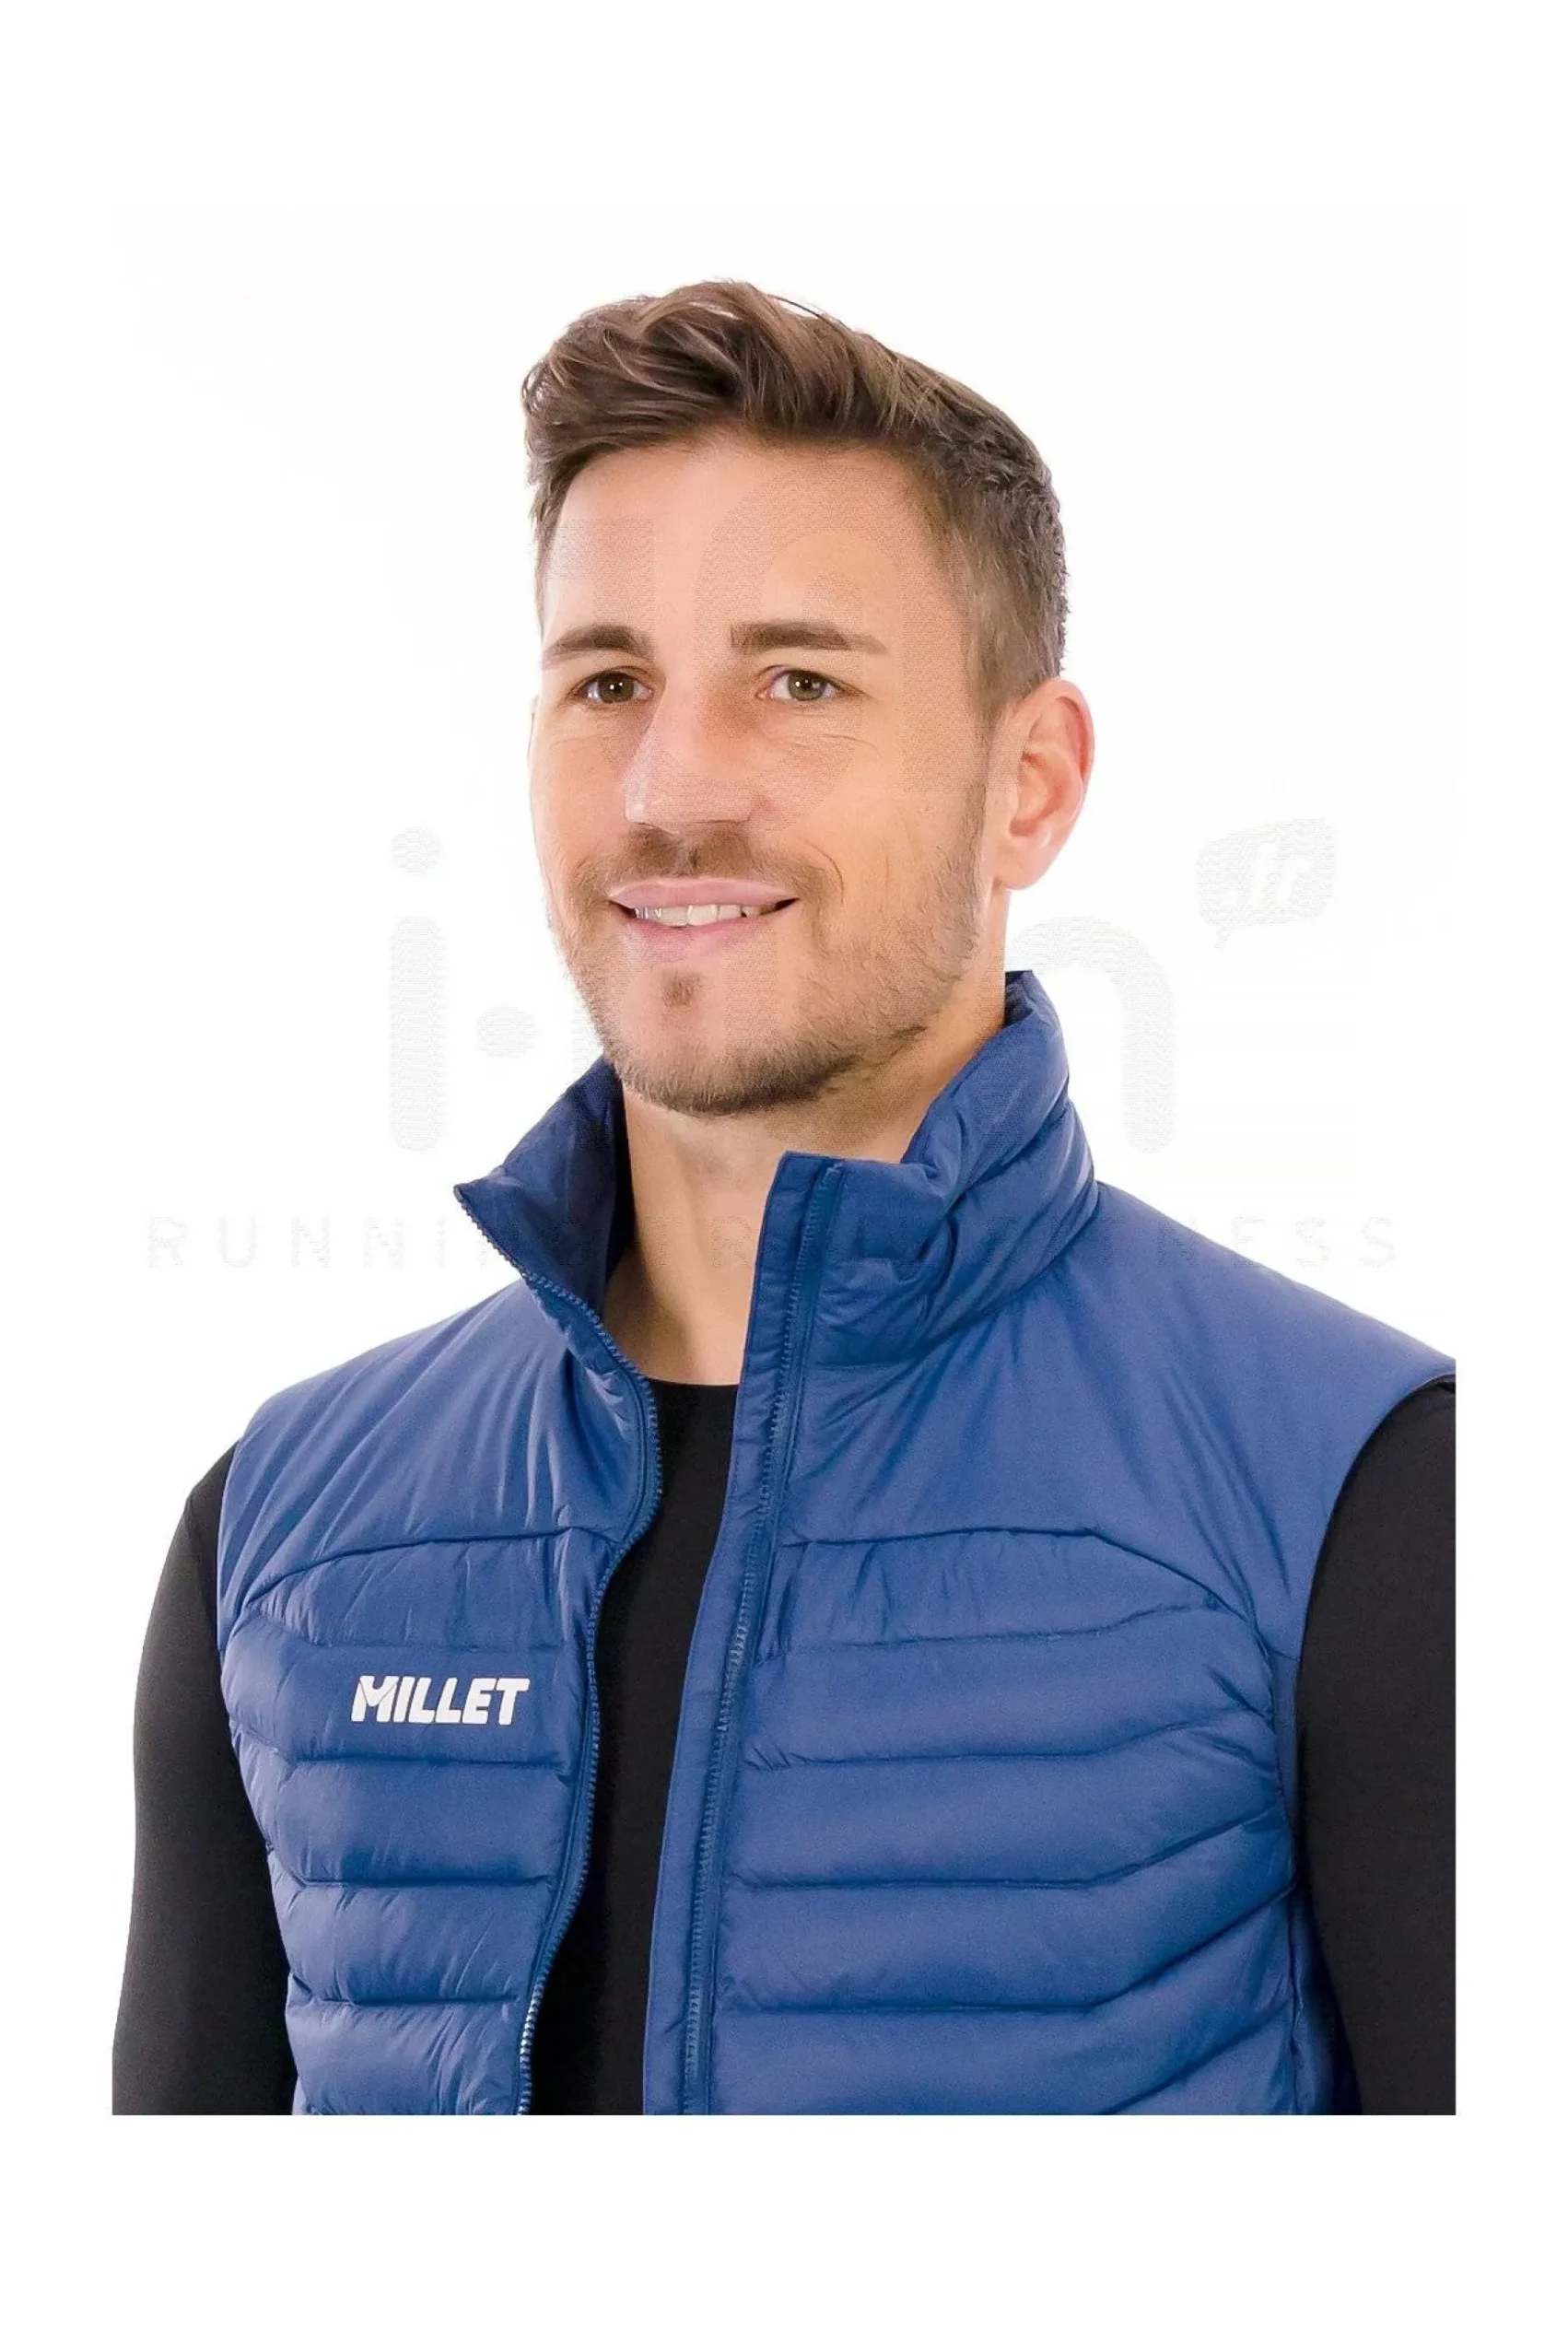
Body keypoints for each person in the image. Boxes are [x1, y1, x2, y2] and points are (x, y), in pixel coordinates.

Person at [113, 278, 1455, 2117]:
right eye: (608, 683)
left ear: (1028, 785)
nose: (671, 789)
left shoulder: (1369, 1496)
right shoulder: (282, 1525)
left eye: (798, 682)